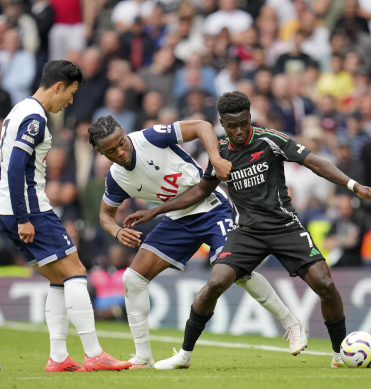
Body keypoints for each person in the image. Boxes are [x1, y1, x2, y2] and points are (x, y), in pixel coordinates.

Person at [125, 91, 371, 369]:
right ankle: (185, 355)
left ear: (250, 117)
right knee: (214, 284)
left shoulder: (270, 140)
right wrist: (156, 209)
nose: (239, 131)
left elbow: (314, 162)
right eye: (232, 126)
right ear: (222, 124)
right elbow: (202, 190)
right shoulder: (221, 151)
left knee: (324, 283)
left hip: (284, 227)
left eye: (244, 123)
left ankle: (338, 354)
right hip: (247, 232)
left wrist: (354, 186)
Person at [89, 116, 308, 369]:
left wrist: (215, 158)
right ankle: (143, 357)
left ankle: (291, 323)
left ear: (125, 134)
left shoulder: (150, 138)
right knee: (132, 278)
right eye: (111, 151)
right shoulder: (116, 178)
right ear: (99, 152)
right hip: (177, 218)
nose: (120, 152)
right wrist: (116, 232)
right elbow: (105, 215)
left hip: (212, 207)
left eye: (121, 143)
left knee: (239, 272)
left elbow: (202, 126)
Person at [0, 60, 131, 373]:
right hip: (31, 209)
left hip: (10, 209)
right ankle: (95, 353)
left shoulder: (17, 111)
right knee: (76, 272)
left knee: (59, 279)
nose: (70, 101)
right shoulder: (35, 118)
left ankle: (58, 357)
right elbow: (14, 167)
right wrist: (24, 216)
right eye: (70, 93)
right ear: (58, 86)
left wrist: (9, 205)